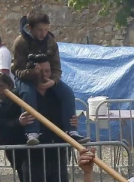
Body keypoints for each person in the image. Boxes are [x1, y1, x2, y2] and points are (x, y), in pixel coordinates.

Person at [19, 54, 74, 182]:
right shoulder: (22, 94)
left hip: (56, 155)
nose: (44, 76)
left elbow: (67, 118)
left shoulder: (58, 94)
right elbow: (4, 124)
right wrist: (18, 123)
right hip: (32, 159)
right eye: (40, 71)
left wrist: (72, 124)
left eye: (48, 71)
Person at [12, 10, 83, 144]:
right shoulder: (20, 42)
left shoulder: (50, 41)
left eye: (46, 30)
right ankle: (32, 132)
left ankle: (71, 130)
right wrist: (32, 72)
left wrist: (53, 81)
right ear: (30, 28)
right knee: (28, 93)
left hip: (48, 77)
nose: (43, 33)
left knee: (67, 92)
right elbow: (17, 70)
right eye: (39, 30)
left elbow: (56, 67)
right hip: (26, 78)